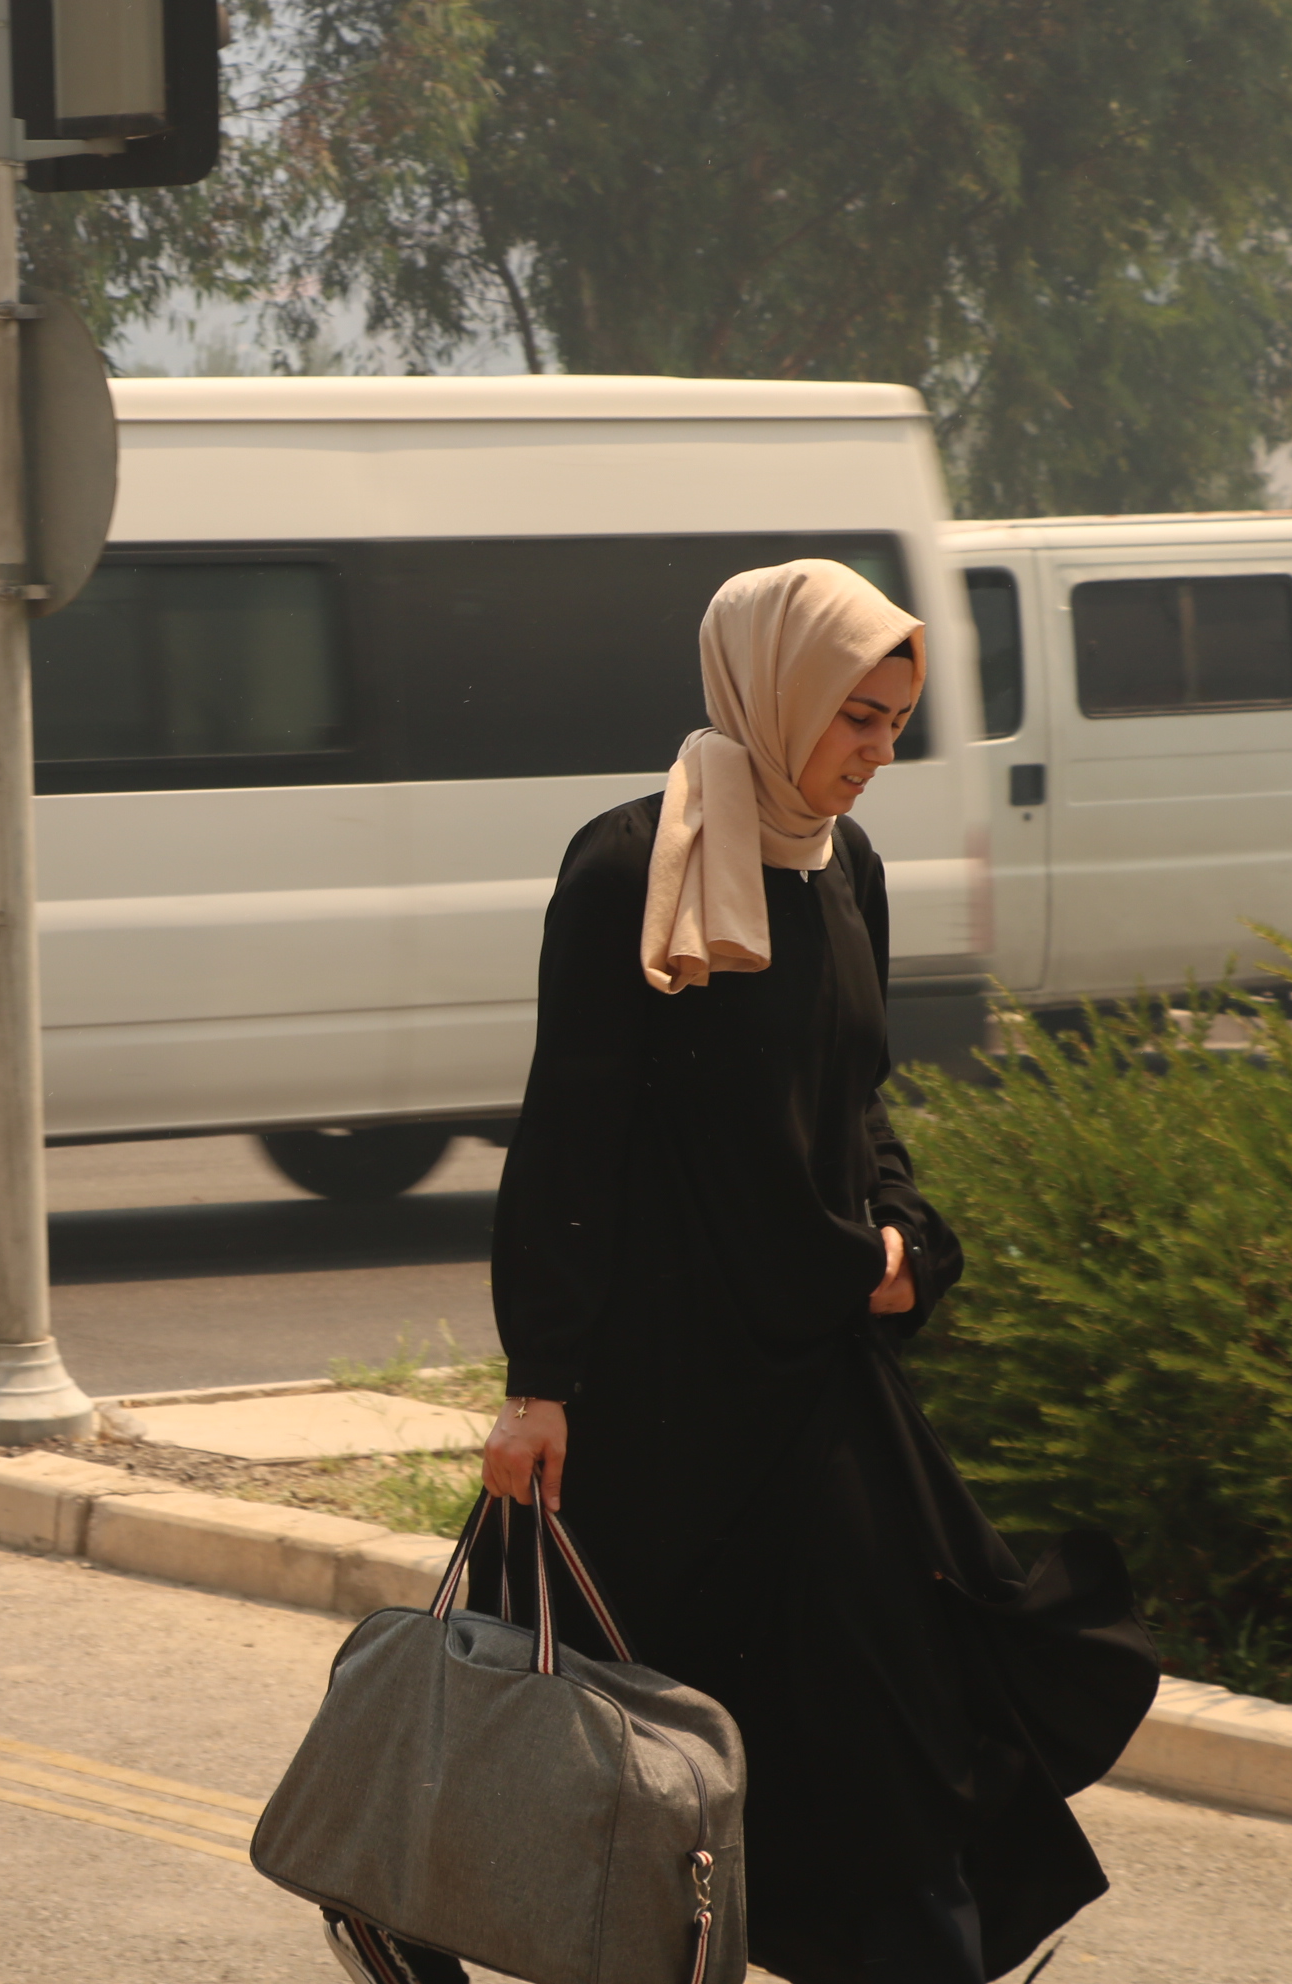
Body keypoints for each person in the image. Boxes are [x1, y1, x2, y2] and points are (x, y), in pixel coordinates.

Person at [480, 560, 1157, 1984]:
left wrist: (909, 1235)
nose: (875, 754)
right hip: (668, 1415)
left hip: (821, 1384)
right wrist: (538, 1384)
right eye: (854, 716)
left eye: (895, 724)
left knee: (904, 1740)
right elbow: (570, 1142)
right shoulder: (627, 870)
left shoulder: (844, 869)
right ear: (771, 689)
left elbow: (860, 1102)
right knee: (664, 1781)